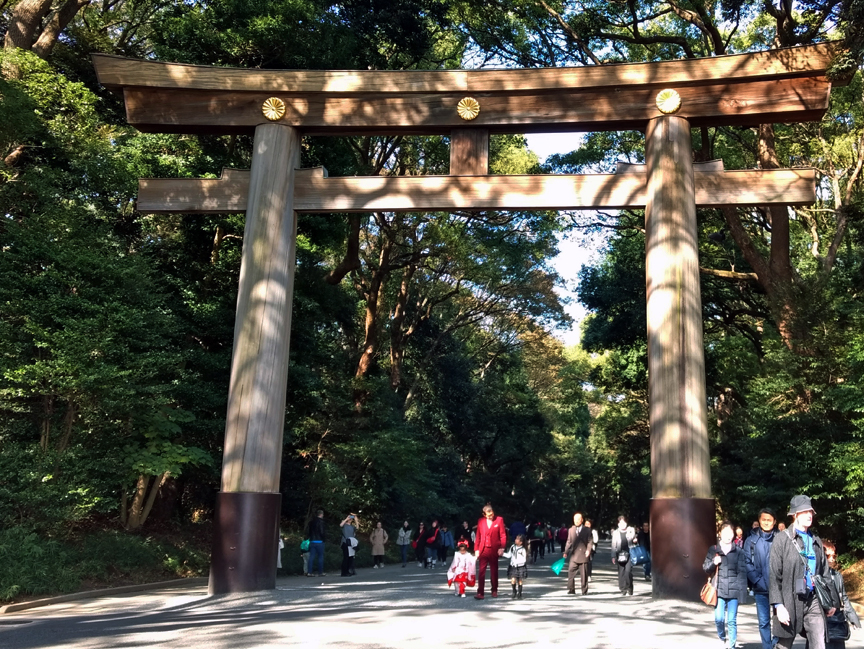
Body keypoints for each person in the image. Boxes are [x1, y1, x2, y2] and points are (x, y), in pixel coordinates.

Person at [770, 495, 836, 649]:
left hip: (813, 599)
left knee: (819, 643)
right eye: (804, 511)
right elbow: (774, 576)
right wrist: (779, 606)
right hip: (789, 600)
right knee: (783, 645)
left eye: (811, 511)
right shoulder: (781, 540)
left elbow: (825, 573)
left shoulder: (816, 540)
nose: (809, 515)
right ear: (795, 515)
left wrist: (832, 600)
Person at [704, 521, 749, 649]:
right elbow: (705, 568)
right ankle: (722, 637)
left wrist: (742, 594)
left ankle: (732, 645)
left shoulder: (739, 551)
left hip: (734, 591)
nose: (728, 535)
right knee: (719, 619)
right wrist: (714, 562)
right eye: (725, 532)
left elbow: (742, 572)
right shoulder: (713, 550)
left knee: (731, 621)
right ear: (720, 534)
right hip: (719, 590)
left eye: (731, 532)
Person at [744, 508, 778, 649]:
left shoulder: (781, 538)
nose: (766, 522)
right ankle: (767, 646)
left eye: (769, 520)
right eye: (763, 519)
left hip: (779, 587)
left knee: (779, 621)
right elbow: (747, 562)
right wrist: (757, 581)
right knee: (764, 621)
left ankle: (777, 644)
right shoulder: (751, 540)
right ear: (759, 521)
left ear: (774, 521)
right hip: (760, 588)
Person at [821, 540, 861, 649]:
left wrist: (853, 619)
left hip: (837, 621)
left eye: (834, 556)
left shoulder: (837, 575)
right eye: (828, 555)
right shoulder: (815, 575)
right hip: (820, 622)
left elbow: (844, 597)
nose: (832, 559)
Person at [474, 504, 507, 599]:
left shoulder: (499, 520)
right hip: (483, 549)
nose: (491, 516)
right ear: (484, 514)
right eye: (488, 515)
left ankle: (494, 590)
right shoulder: (480, 521)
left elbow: (503, 535)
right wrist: (476, 549)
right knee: (481, 572)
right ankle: (480, 592)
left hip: (494, 550)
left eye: (492, 514)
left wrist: (502, 547)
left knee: (494, 571)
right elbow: (478, 536)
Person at [564, 512, 593, 595]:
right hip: (574, 555)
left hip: (583, 555)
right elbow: (569, 542)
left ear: (582, 520)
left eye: (578, 519)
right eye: (575, 519)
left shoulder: (587, 530)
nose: (576, 521)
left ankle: (584, 590)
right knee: (570, 572)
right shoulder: (571, 530)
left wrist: (588, 550)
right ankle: (571, 589)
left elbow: (590, 541)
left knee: (584, 575)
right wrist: (566, 552)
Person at [611, 516, 636, 596]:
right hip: (620, 554)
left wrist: (633, 539)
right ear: (618, 524)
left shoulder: (631, 530)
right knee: (621, 572)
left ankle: (629, 587)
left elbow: (633, 538)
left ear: (626, 522)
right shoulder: (615, 532)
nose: (622, 524)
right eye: (620, 522)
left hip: (629, 553)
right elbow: (613, 544)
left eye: (623, 522)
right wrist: (613, 556)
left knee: (628, 572)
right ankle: (623, 589)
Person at [504, 534, 528, 599]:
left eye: (517, 539)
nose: (515, 540)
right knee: (513, 579)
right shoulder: (512, 547)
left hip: (520, 566)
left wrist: (518, 562)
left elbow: (524, 559)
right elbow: (509, 555)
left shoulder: (523, 549)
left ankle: (519, 592)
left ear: (521, 542)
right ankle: (514, 591)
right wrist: (502, 554)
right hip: (513, 566)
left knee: (520, 580)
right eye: (516, 538)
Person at [307, 509, 326, 577]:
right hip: (319, 541)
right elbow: (322, 532)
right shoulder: (321, 522)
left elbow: (308, 531)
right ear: (321, 514)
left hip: (312, 541)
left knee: (311, 557)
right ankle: (320, 572)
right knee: (320, 557)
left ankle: (309, 572)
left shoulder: (311, 522)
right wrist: (324, 539)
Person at [340, 512, 360, 577]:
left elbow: (357, 527)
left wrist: (356, 519)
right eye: (350, 518)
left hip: (351, 543)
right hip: (345, 542)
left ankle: (349, 570)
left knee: (350, 558)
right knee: (346, 557)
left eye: (351, 518)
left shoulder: (352, 526)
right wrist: (346, 519)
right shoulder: (344, 525)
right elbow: (341, 525)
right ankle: (344, 572)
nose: (350, 519)